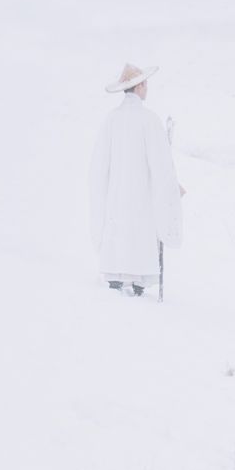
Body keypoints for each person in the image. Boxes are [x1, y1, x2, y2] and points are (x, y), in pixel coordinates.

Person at [89, 63, 185, 297]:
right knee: (141, 231)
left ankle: (115, 277)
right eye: (146, 84)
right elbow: (161, 164)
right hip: (141, 193)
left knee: (118, 230)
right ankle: (138, 282)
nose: (147, 88)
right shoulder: (149, 119)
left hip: (116, 193)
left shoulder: (111, 119)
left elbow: (99, 163)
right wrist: (172, 187)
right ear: (139, 86)